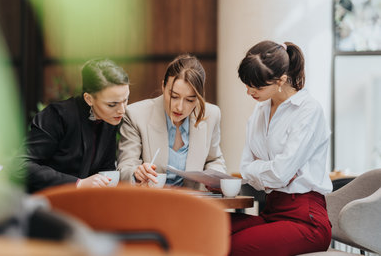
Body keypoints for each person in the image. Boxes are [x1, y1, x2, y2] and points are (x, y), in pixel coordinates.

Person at [230, 41, 333, 256]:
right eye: (247, 85)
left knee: (233, 246)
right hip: (272, 211)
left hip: (307, 220)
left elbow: (279, 174)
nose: (249, 92)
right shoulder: (260, 111)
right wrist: (272, 171)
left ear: (281, 80)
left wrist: (270, 171)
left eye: (257, 87)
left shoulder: (308, 110)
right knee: (205, 227)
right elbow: (246, 167)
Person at [117, 54, 226, 189]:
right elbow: (124, 169)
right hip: (149, 203)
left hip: (192, 204)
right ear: (163, 87)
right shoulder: (136, 115)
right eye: (174, 96)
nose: (179, 107)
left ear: (198, 97)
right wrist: (136, 173)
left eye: (190, 100)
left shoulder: (211, 114)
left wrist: (216, 178)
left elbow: (214, 159)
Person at [23, 59, 129, 193]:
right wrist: (78, 183)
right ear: (88, 99)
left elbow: (106, 169)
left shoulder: (110, 118)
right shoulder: (57, 115)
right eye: (112, 104)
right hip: (45, 201)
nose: (122, 110)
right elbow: (21, 166)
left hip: (84, 201)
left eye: (125, 100)